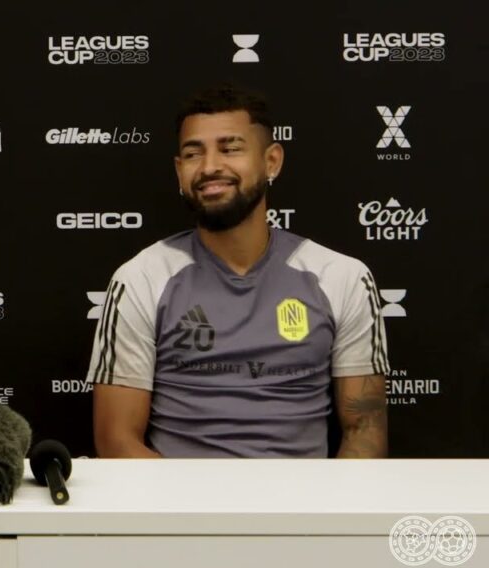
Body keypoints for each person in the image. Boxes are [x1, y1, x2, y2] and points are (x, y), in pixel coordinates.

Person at [89, 84, 388, 458]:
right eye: (193, 153)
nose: (210, 167)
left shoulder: (341, 277)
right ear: (179, 171)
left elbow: (364, 429)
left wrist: (324, 498)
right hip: (180, 495)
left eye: (230, 149)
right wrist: (190, 498)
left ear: (272, 161)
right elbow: (117, 441)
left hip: (302, 496)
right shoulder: (140, 279)